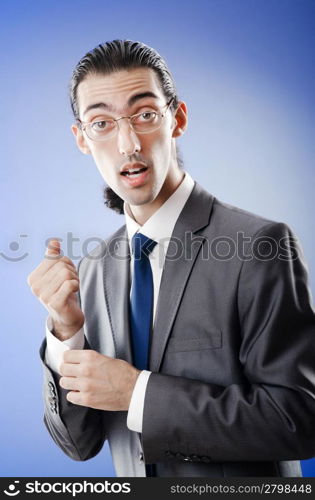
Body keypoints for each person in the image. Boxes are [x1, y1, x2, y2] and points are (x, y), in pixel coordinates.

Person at [27, 39, 315, 477]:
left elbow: (298, 419)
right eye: (102, 122)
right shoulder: (92, 270)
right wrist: (66, 335)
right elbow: (77, 445)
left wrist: (136, 394)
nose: (128, 144)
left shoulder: (260, 244)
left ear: (177, 119)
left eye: (145, 115)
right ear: (82, 139)